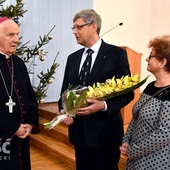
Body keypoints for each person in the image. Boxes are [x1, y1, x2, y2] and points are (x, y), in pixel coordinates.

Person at [57, 9, 134, 170]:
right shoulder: (73, 58)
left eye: (78, 27)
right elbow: (64, 92)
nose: (74, 32)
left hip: (105, 133)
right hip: (79, 133)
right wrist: (65, 110)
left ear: (93, 26)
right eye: (73, 28)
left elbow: (127, 92)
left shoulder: (116, 54)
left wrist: (104, 106)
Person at [120, 35, 170, 170]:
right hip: (135, 155)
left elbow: (164, 133)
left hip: (155, 159)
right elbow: (136, 116)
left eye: (151, 56)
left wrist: (133, 150)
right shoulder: (150, 86)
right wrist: (126, 141)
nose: (147, 59)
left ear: (162, 62)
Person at [0, 17, 39, 170]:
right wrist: (14, 127)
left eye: (18, 35)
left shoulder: (18, 62)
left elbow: (30, 96)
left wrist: (30, 123)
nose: (16, 40)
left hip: (21, 136)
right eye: (11, 35)